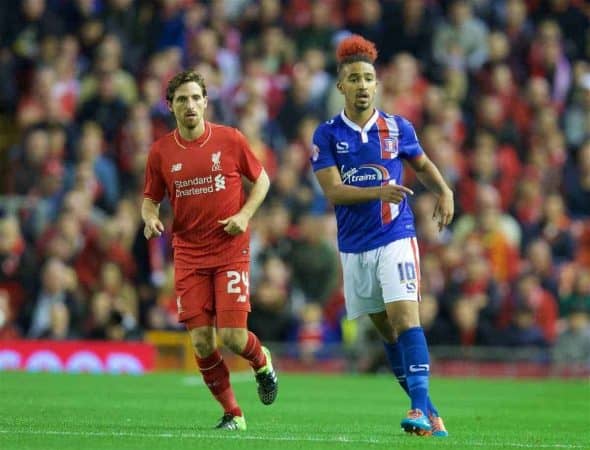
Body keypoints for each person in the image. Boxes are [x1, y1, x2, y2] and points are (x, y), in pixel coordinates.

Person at [310, 35, 454, 437]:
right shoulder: (326, 136)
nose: (361, 85)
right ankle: (430, 411)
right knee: (387, 333)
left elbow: (422, 164)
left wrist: (444, 190)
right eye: (353, 78)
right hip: (354, 247)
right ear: (341, 85)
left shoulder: (397, 127)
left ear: (377, 84)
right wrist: (379, 190)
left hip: (396, 235)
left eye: (368, 78)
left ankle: (417, 410)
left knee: (406, 318)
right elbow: (333, 191)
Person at [142, 70, 277, 431]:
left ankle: (261, 361)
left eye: (195, 98)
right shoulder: (160, 152)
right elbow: (150, 199)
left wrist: (245, 215)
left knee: (232, 337)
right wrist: (149, 218)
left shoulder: (230, 140)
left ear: (206, 102)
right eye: (181, 99)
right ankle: (233, 413)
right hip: (188, 253)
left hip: (230, 249)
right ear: (170, 106)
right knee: (202, 343)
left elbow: (262, 180)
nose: (190, 105)